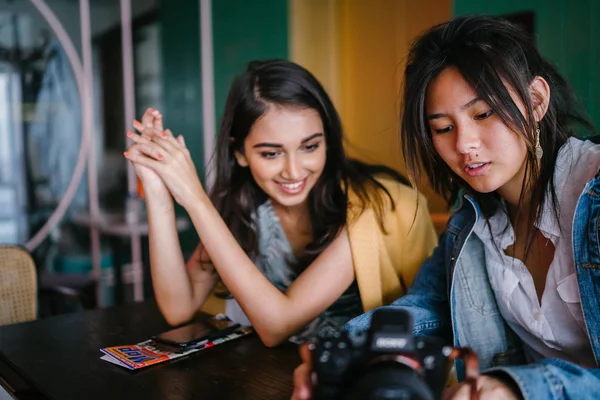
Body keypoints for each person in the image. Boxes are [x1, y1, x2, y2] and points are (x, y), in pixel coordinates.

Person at [291, 15, 600, 400]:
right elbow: (428, 305)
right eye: (442, 127)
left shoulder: (593, 193)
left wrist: (516, 388)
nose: (464, 144)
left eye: (483, 113)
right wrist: (339, 355)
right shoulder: (472, 221)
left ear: (536, 101)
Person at [123, 59, 437, 347]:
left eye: (310, 146)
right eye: (271, 153)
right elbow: (179, 307)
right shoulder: (244, 208)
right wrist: (158, 191)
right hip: (276, 378)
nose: (294, 170)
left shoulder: (372, 204)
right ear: (240, 153)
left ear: (327, 138)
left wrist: (194, 198)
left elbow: (278, 326)